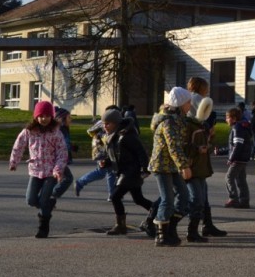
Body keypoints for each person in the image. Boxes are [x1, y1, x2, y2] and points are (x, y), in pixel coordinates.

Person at [9, 101, 70, 239]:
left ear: (52, 117)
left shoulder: (56, 132)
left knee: (43, 201)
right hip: (35, 170)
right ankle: (48, 205)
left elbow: (62, 153)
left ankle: (43, 227)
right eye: (41, 116)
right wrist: (14, 162)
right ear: (36, 116)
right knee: (30, 200)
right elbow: (18, 146)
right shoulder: (29, 132)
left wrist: (58, 170)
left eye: (48, 116)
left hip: (51, 172)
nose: (44, 119)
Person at [147, 87, 194, 246]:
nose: (190, 105)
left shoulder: (178, 120)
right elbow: (173, 146)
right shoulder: (169, 122)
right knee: (167, 199)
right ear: (180, 103)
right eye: (188, 102)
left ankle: (171, 227)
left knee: (184, 196)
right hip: (162, 165)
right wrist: (184, 166)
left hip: (171, 165)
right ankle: (161, 234)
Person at [99, 107, 154, 235]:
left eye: (108, 123)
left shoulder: (126, 135)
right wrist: (106, 162)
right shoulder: (112, 136)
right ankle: (156, 210)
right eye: (103, 123)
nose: (105, 126)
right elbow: (114, 155)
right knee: (138, 199)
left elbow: (141, 152)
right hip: (124, 171)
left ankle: (120, 225)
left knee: (115, 196)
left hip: (130, 171)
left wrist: (144, 168)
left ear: (116, 123)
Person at [184, 76, 226, 239]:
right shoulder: (195, 105)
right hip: (193, 162)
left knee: (202, 195)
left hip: (198, 161)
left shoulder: (196, 120)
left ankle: (206, 225)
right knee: (195, 197)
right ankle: (193, 229)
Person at [75, 105, 121, 199]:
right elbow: (105, 139)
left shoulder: (102, 123)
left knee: (106, 172)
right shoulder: (105, 125)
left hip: (101, 151)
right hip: (103, 152)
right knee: (106, 172)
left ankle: (112, 194)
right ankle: (112, 194)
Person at [224, 107, 254, 209]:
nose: (226, 120)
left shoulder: (237, 127)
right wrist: (220, 151)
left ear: (233, 118)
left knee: (229, 177)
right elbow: (234, 145)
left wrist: (231, 158)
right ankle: (244, 200)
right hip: (243, 157)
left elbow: (238, 145)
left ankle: (233, 198)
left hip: (238, 158)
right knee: (241, 179)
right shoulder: (242, 126)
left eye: (227, 117)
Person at [51, 106, 76, 199]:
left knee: (53, 179)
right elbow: (63, 144)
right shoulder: (62, 129)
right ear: (62, 118)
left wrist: (72, 146)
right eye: (69, 117)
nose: (71, 120)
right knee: (68, 178)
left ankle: (48, 197)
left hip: (57, 158)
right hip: (59, 159)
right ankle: (52, 195)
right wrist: (71, 147)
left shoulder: (60, 128)